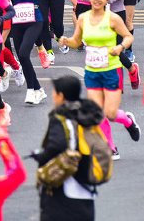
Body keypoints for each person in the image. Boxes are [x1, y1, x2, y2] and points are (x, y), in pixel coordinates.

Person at [59, 0, 139, 157]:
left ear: (106, 0)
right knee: (97, 112)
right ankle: (110, 147)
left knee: (110, 113)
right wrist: (66, 41)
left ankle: (127, 120)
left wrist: (120, 47)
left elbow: (128, 36)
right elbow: (76, 41)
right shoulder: (83, 18)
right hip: (92, 72)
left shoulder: (113, 18)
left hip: (111, 70)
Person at [30, 74, 106, 221]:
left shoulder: (62, 117)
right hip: (86, 191)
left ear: (61, 95)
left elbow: (58, 145)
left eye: (54, 92)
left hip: (64, 190)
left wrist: (41, 156)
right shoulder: (87, 114)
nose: (53, 96)